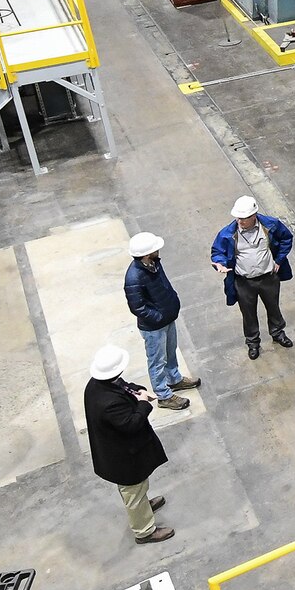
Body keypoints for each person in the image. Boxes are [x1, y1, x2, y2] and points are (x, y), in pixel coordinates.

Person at [83, 345, 174, 545]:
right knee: (133, 490)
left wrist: (138, 391)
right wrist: (143, 404)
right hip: (123, 457)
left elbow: (123, 385)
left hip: (125, 451)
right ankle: (144, 531)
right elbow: (131, 424)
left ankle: (143, 508)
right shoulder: (108, 403)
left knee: (138, 487)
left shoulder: (98, 383)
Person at [123, 231, 201, 411]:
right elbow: (137, 307)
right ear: (147, 253)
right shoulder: (133, 277)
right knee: (157, 360)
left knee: (170, 351)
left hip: (167, 318)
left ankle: (174, 379)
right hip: (154, 327)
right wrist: (158, 317)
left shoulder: (154, 263)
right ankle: (163, 395)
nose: (159, 249)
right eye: (155, 248)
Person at [211, 195, 294, 360]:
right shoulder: (228, 234)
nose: (240, 222)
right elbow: (217, 252)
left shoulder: (271, 225)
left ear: (254, 216)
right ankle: (253, 343)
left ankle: (278, 333)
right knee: (248, 313)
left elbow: (286, 238)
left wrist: (278, 260)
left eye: (244, 218)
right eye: (238, 218)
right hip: (244, 282)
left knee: (273, 307)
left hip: (268, 277)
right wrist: (219, 263)